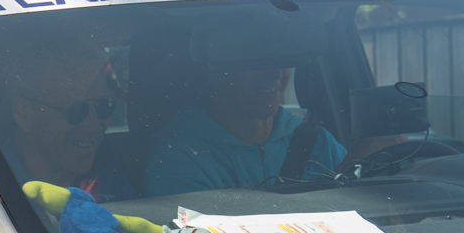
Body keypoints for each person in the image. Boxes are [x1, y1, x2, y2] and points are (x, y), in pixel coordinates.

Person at [145, 66, 351, 195]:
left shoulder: (318, 142)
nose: (275, 73)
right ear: (216, 69)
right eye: (256, 60)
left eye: (284, 58)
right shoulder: (180, 157)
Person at [0, 42, 136, 202]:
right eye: (76, 111)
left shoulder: (116, 189)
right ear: (24, 112)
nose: (94, 126)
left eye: (104, 106)